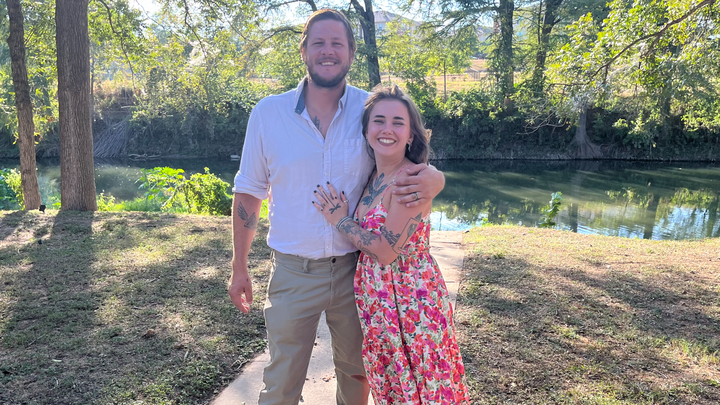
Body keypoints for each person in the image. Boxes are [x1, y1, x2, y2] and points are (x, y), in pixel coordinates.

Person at [228, 9, 446, 405]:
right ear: (304, 51)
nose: (327, 51)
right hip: (293, 271)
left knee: (358, 375)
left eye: (337, 43)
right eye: (318, 43)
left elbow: (403, 148)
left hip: (355, 272)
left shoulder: (370, 111)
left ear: (351, 52)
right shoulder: (268, 114)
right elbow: (248, 192)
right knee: (281, 382)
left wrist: (436, 177)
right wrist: (239, 266)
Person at [313, 85, 469, 404]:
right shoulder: (374, 174)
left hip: (413, 302)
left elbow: (385, 251)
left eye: (398, 122)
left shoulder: (410, 181)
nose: (387, 129)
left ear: (411, 135)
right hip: (381, 303)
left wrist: (340, 219)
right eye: (379, 121)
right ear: (367, 131)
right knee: (394, 386)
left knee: (424, 386)